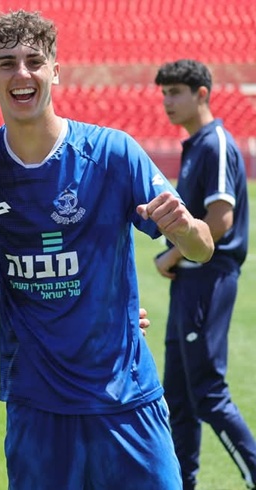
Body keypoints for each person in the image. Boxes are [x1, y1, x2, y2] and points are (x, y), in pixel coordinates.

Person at [0, 10, 215, 489]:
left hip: (125, 397)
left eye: (34, 61)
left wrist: (187, 229)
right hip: (36, 404)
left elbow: (202, 248)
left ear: (55, 71)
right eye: (6, 63)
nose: (22, 73)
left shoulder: (112, 152)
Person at [155, 59, 256, 490]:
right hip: (190, 282)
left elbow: (220, 219)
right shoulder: (196, 144)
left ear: (201, 94)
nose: (167, 101)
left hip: (207, 278)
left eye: (176, 92)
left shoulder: (214, 143)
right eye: (164, 93)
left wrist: (171, 257)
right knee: (178, 395)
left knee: (208, 392)